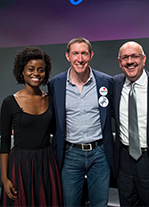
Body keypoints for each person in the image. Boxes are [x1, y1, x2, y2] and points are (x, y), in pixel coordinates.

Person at [48, 37, 115, 207]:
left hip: (100, 154)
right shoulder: (55, 84)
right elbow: (48, 117)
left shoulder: (105, 81)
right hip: (70, 154)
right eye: (75, 53)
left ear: (91, 55)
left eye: (84, 53)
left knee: (100, 204)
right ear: (67, 56)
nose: (80, 58)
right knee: (70, 204)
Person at [0, 47, 62, 207]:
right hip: (21, 165)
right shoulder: (9, 102)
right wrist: (4, 178)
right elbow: (5, 143)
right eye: (31, 69)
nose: (36, 73)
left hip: (47, 163)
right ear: (22, 71)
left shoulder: (51, 100)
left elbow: (57, 131)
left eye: (41, 70)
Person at [113, 41, 149, 207]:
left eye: (135, 56)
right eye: (125, 58)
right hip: (124, 162)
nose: (130, 61)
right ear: (120, 62)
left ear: (144, 59)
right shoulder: (114, 85)